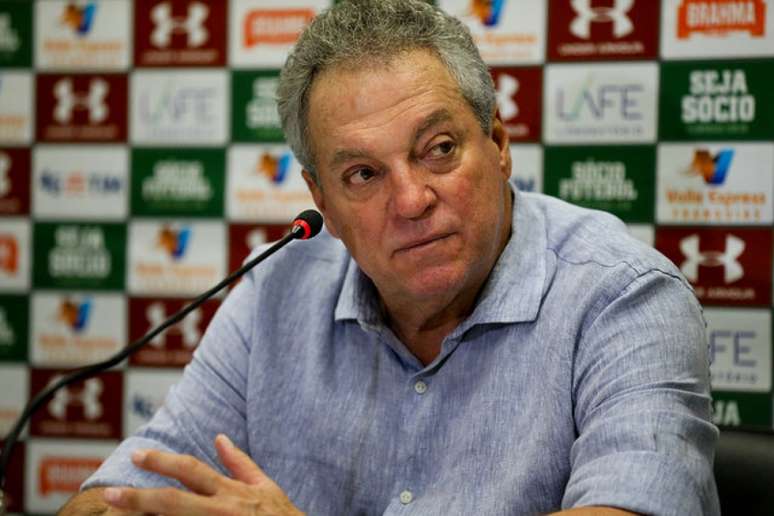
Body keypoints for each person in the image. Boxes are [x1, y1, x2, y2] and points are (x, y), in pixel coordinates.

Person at [60, 1, 719, 514]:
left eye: (438, 149)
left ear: (496, 142)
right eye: (363, 176)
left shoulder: (623, 295)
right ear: (321, 198)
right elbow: (118, 492)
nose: (411, 200)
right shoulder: (276, 292)